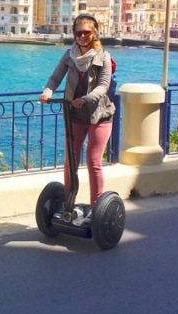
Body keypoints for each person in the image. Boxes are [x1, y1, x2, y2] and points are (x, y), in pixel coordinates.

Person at [39, 14, 115, 225]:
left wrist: (85, 99)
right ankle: (68, 204)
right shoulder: (69, 55)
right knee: (70, 162)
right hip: (75, 115)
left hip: (99, 115)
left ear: (94, 33)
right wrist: (48, 91)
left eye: (86, 32)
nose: (82, 36)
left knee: (93, 161)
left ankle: (96, 207)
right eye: (78, 32)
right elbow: (55, 78)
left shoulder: (103, 56)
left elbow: (103, 85)